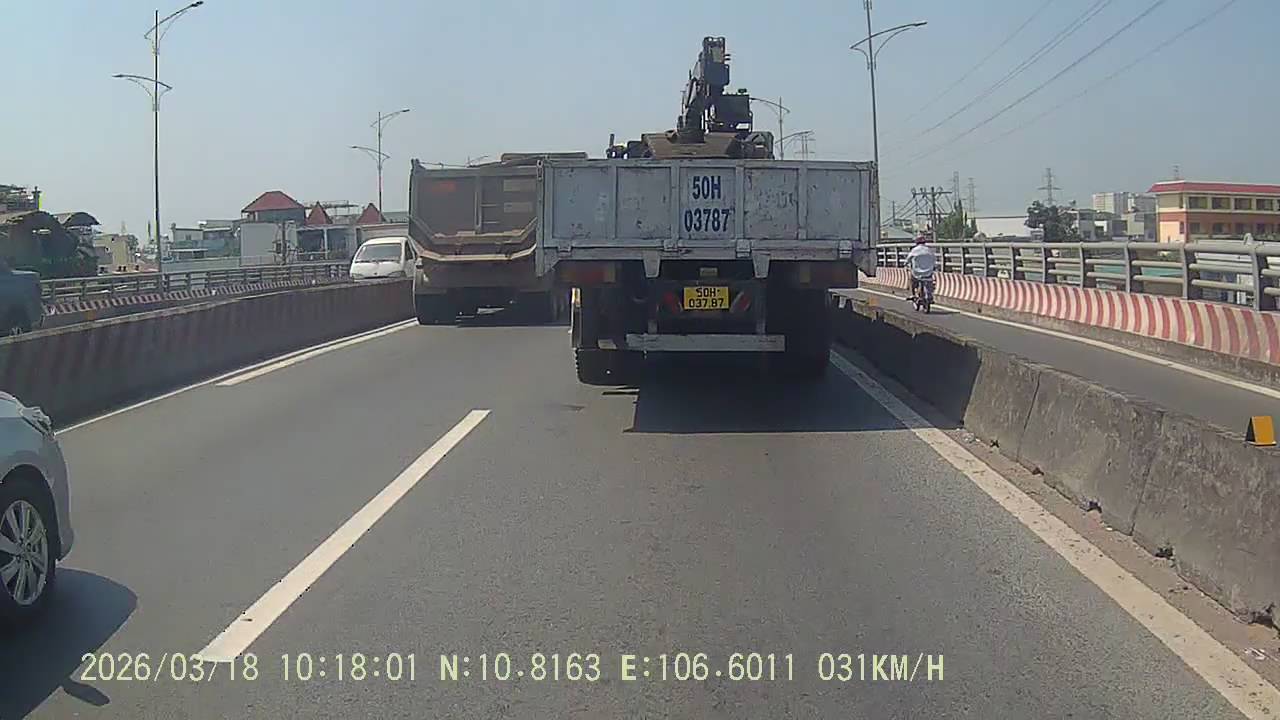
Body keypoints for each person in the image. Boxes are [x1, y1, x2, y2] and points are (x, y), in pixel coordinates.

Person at [906, 235, 937, 299]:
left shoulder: (914, 250)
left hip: (916, 272)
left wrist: (905, 264)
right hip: (928, 272)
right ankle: (930, 295)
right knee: (930, 281)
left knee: (911, 279)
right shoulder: (929, 250)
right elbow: (934, 260)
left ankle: (912, 294)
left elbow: (908, 260)